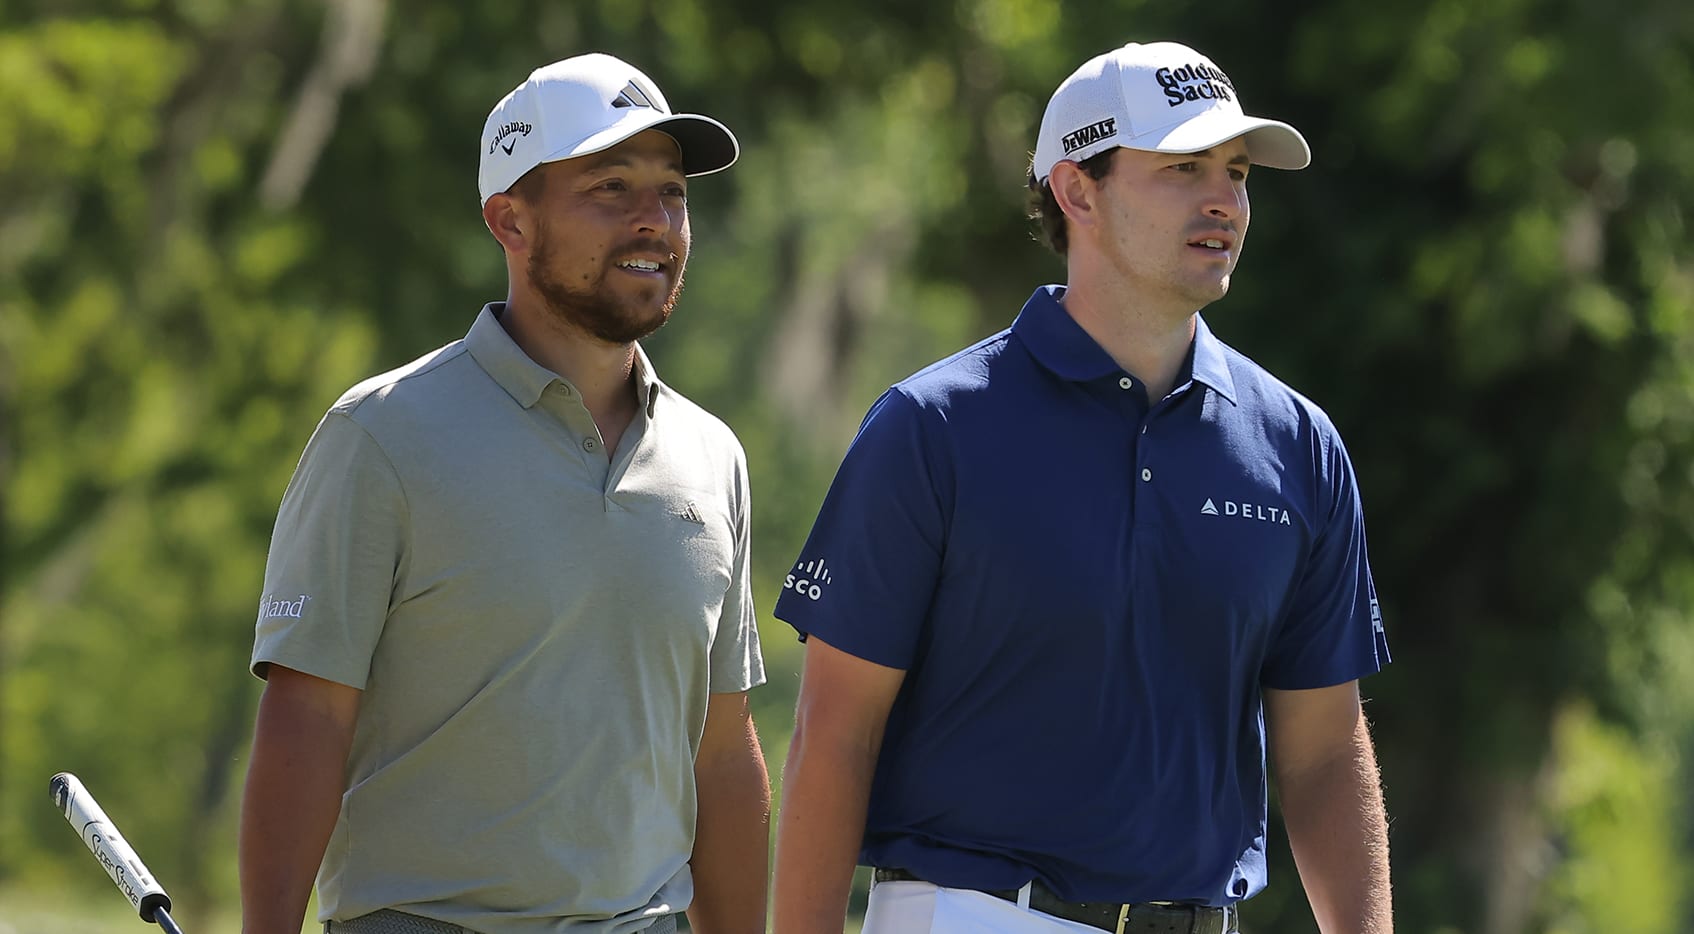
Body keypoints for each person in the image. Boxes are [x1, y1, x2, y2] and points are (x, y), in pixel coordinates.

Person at [771, 40, 1392, 934]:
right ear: (1076, 191)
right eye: (1182, 168)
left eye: (1238, 171)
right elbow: (834, 735)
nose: (1225, 200)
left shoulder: (1298, 445)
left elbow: (1327, 749)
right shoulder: (932, 426)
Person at [239, 53, 769, 934]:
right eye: (610, 187)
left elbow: (722, 751)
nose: (655, 221)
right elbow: (308, 720)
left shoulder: (712, 457)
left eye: (672, 192)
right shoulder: (381, 436)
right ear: (509, 221)